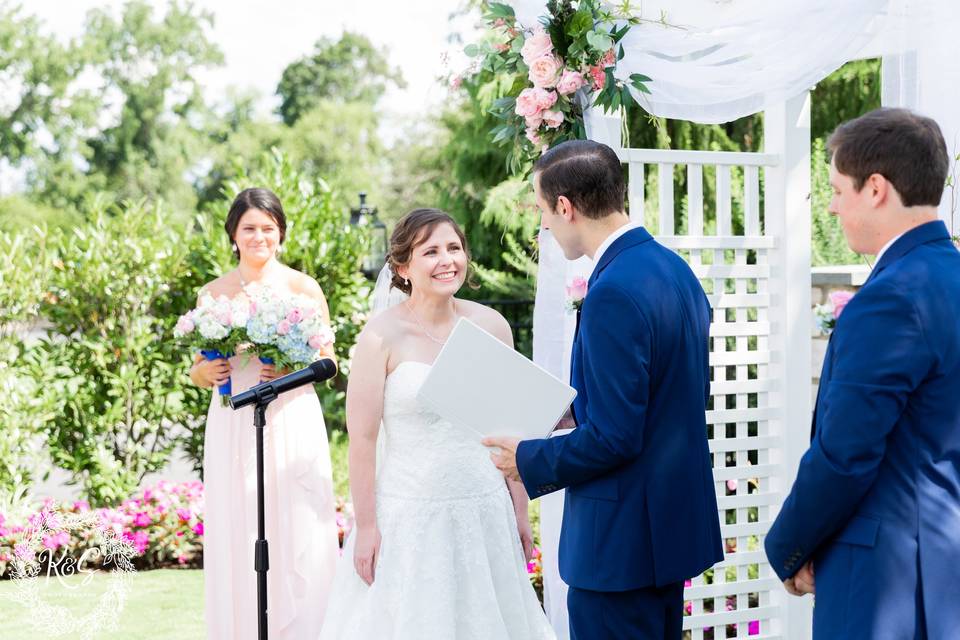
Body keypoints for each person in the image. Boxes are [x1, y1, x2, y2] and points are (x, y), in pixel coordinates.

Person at [484, 140, 724, 639]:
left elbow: (617, 437)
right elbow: (676, 393)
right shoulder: (673, 269)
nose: (544, 225)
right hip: (664, 531)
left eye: (544, 211)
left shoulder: (613, 289)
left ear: (566, 207)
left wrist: (527, 459)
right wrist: (576, 411)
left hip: (620, 544)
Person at [764, 108, 960, 639]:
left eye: (836, 190)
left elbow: (846, 453)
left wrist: (789, 546)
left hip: (886, 579)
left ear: (875, 188)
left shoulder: (891, 298)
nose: (831, 206)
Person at [318, 208, 555, 640]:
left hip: (484, 508)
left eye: (454, 248)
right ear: (404, 267)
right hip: (409, 515)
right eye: (431, 251)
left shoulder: (491, 325)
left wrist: (521, 512)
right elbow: (363, 441)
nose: (447, 260)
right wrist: (367, 527)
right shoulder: (379, 337)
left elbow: (511, 425)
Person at [188, 187, 339, 639]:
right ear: (233, 234)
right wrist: (204, 371)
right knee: (240, 521)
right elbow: (196, 367)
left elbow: (328, 361)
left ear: (281, 234)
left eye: (268, 228)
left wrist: (289, 369)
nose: (259, 236)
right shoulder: (212, 293)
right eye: (249, 228)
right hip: (234, 420)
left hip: (289, 416)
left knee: (295, 523)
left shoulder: (301, 287)